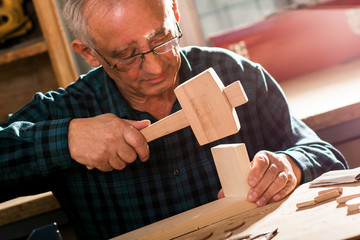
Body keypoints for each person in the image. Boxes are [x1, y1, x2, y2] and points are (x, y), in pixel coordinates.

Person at [0, 0, 347, 239]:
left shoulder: (234, 73)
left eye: (161, 38)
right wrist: (67, 140)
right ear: (89, 53)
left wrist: (290, 165)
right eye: (127, 56)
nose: (154, 67)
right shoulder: (67, 110)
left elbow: (323, 154)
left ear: (175, 11)